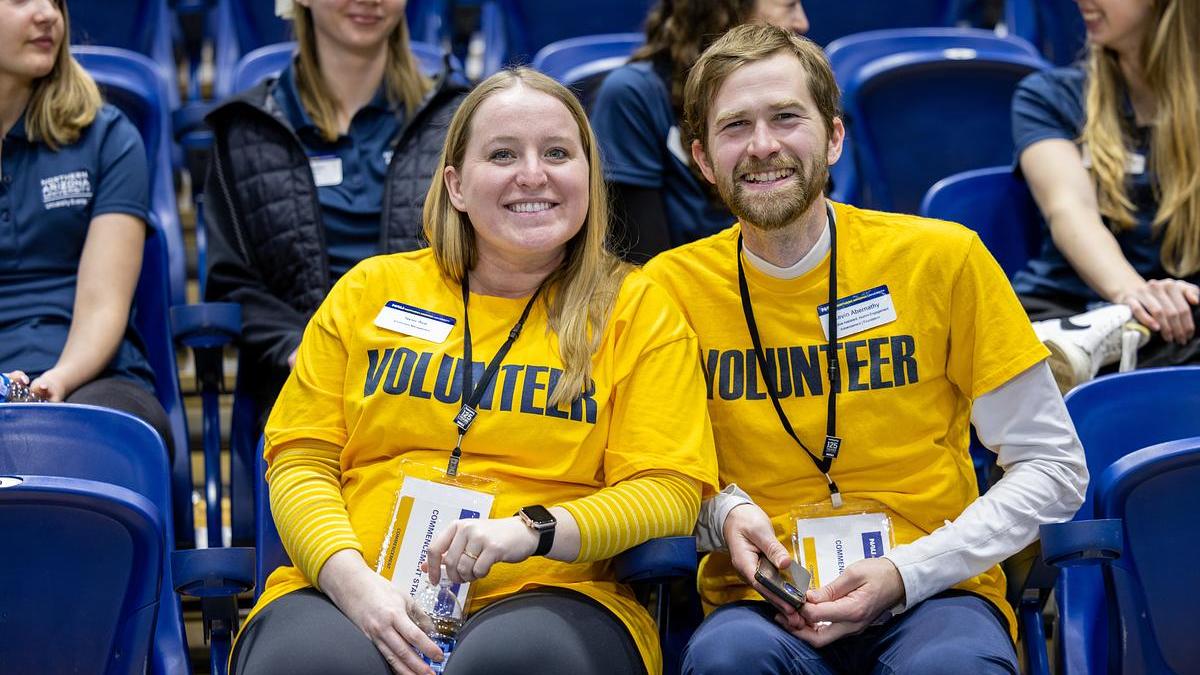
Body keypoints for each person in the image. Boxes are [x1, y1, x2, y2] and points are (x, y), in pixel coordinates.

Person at [230, 67, 719, 675]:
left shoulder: (637, 310)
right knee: (307, 665)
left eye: (559, 153)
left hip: (549, 595)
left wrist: (532, 530)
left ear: (590, 180)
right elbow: (300, 461)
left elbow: (667, 493)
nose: (533, 174)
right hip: (351, 586)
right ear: (456, 185)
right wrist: (352, 584)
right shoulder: (370, 291)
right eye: (504, 154)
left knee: (514, 664)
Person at [643, 24, 1089, 674]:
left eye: (786, 118)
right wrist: (720, 513)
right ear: (704, 159)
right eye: (736, 126)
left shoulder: (944, 260)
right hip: (762, 603)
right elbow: (645, 478)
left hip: (934, 589)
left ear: (833, 137)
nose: (763, 145)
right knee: (726, 663)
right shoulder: (665, 292)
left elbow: (1054, 467)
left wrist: (908, 570)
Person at [204, 0, 468, 422]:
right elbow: (232, 283)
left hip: (439, 375)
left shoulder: (458, 118)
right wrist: (303, 352)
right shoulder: (246, 127)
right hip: (301, 377)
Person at [0, 0, 172, 455]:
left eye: (55, 1)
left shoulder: (107, 135)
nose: (47, 15)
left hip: (94, 376)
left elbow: (103, 305)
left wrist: (55, 381)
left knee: (95, 437)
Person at [1012, 0, 1200, 391]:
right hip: (1070, 309)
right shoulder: (1048, 95)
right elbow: (1070, 210)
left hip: (1184, 313)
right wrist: (1136, 295)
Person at [591, 0, 808, 262]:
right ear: (728, 10)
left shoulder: (796, 85)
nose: (802, 23)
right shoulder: (632, 95)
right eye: (789, 5)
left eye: (784, 117)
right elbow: (641, 264)